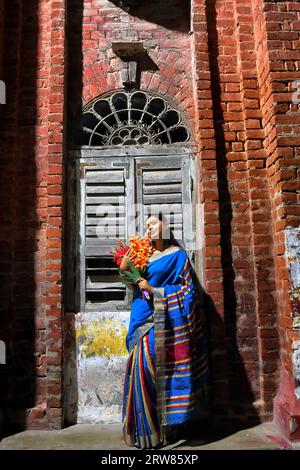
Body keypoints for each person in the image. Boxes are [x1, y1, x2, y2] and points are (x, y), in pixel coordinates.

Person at [120, 213, 209, 449]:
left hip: (164, 320)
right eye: (146, 225)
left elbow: (188, 293)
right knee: (139, 371)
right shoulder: (143, 254)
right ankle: (146, 432)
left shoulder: (177, 256)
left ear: (166, 226)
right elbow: (134, 284)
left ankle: (169, 426)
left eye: (153, 223)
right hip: (141, 317)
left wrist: (155, 290)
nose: (148, 228)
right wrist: (125, 269)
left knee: (153, 370)